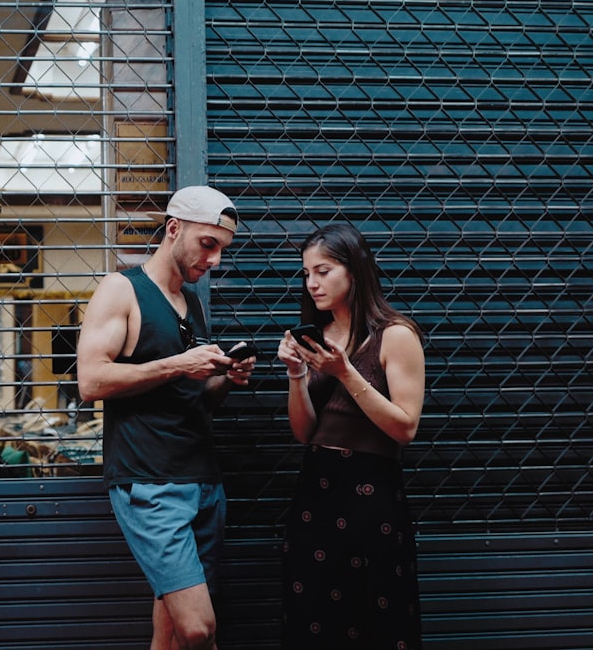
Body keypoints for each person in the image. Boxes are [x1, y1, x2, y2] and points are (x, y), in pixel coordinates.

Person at [77, 185, 255, 650]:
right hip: (150, 483)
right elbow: (91, 381)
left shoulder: (191, 304)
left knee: (173, 632)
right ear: (174, 229)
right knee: (200, 628)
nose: (214, 260)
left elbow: (188, 398)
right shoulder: (123, 289)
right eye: (208, 244)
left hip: (202, 481)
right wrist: (179, 364)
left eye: (222, 249)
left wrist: (223, 378)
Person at [277, 222, 425, 649]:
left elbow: (405, 427)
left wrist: (345, 371)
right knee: (314, 619)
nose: (312, 283)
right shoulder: (316, 339)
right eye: (306, 273)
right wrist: (295, 375)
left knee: (377, 617)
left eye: (323, 271)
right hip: (315, 494)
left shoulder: (395, 335)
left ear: (354, 271)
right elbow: (304, 433)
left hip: (371, 494)